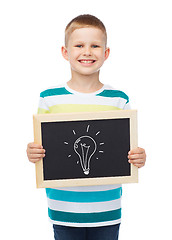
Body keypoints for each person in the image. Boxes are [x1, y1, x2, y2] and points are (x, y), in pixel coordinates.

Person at [27, 14, 146, 240]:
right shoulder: (49, 98)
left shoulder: (118, 99)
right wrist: (32, 152)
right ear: (65, 52)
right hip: (63, 208)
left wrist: (139, 157)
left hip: (107, 208)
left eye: (95, 45)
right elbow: (41, 146)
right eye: (79, 45)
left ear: (106, 53)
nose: (87, 52)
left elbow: (127, 148)